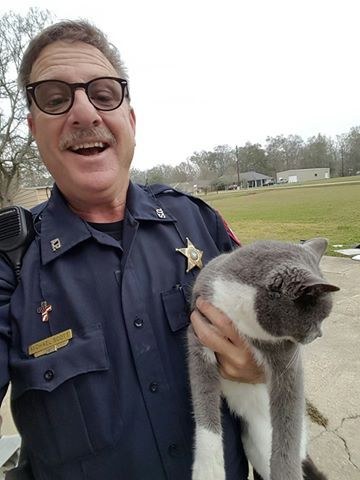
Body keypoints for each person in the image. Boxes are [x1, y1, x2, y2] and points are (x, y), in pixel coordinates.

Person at [0, 20, 263, 480]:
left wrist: (263, 367)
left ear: (131, 120)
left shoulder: (197, 221)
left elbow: (283, 327)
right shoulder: (10, 260)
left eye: (104, 94)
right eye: (55, 98)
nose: (84, 113)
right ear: (34, 130)